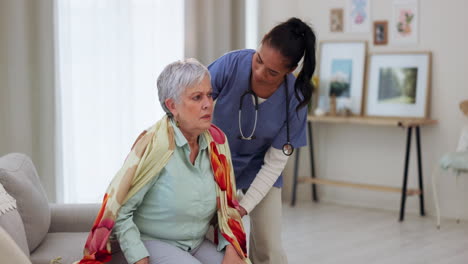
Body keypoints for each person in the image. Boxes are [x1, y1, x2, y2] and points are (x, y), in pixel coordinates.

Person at [75, 59, 251, 264]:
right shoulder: (154, 145)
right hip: (152, 240)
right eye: (197, 97)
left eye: (209, 95)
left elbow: (227, 207)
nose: (208, 104)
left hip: (194, 242)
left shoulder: (217, 142)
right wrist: (138, 257)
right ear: (172, 105)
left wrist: (231, 248)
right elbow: (121, 210)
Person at [208, 17, 316, 264]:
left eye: (272, 72)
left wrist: (243, 208)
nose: (259, 72)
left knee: (270, 247)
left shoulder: (295, 99)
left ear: (290, 71)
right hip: (214, 163)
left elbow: (275, 163)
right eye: (258, 60)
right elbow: (191, 102)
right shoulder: (232, 64)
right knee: (211, 240)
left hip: (260, 168)